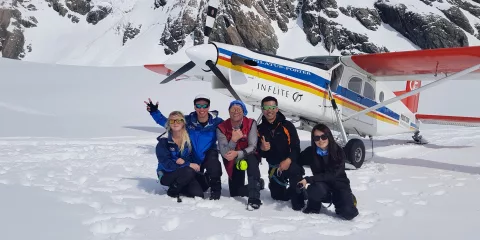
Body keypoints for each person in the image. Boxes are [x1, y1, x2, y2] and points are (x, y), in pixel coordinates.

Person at [145, 94, 224, 200]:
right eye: (198, 106)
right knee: (195, 186)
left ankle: (215, 190)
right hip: (191, 162)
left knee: (212, 166)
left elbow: (229, 129)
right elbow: (169, 122)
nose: (201, 109)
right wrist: (154, 112)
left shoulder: (217, 122)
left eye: (204, 106)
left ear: (209, 107)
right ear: (194, 107)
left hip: (204, 158)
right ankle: (176, 188)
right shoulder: (187, 121)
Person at [297, 123, 359, 220]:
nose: (320, 140)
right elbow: (297, 160)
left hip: (339, 186)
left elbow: (333, 175)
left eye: (323, 137)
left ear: (328, 136)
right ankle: (313, 207)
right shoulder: (310, 152)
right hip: (322, 186)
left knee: (348, 213)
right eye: (317, 138)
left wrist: (308, 179)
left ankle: (348, 199)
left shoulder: (339, 152)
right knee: (314, 189)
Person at [256, 96, 305, 211]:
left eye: (272, 107)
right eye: (266, 107)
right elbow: (259, 152)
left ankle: (300, 193)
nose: (270, 110)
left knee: (298, 204)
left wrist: (288, 160)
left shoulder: (287, 126)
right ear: (262, 109)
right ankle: (283, 187)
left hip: (291, 164)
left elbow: (296, 148)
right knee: (277, 196)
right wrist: (262, 148)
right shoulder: (259, 129)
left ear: (277, 109)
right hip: (275, 168)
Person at [217, 100, 262, 210]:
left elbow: (253, 146)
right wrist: (233, 140)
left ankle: (254, 198)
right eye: (233, 109)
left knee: (252, 161)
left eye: (239, 109)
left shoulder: (251, 123)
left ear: (243, 111)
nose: (235, 111)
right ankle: (258, 184)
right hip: (232, 159)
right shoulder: (221, 127)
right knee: (236, 193)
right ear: (229, 111)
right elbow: (224, 152)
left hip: (247, 154)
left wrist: (238, 153)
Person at [155, 111, 205, 200]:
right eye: (172, 121)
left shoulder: (188, 139)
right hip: (166, 174)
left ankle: (181, 186)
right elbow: (167, 164)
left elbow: (192, 155)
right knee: (188, 171)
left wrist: (197, 164)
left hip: (185, 173)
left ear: (183, 123)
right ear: (169, 123)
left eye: (178, 120)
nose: (175, 123)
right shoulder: (163, 141)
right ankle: (173, 190)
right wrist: (187, 164)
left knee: (199, 194)